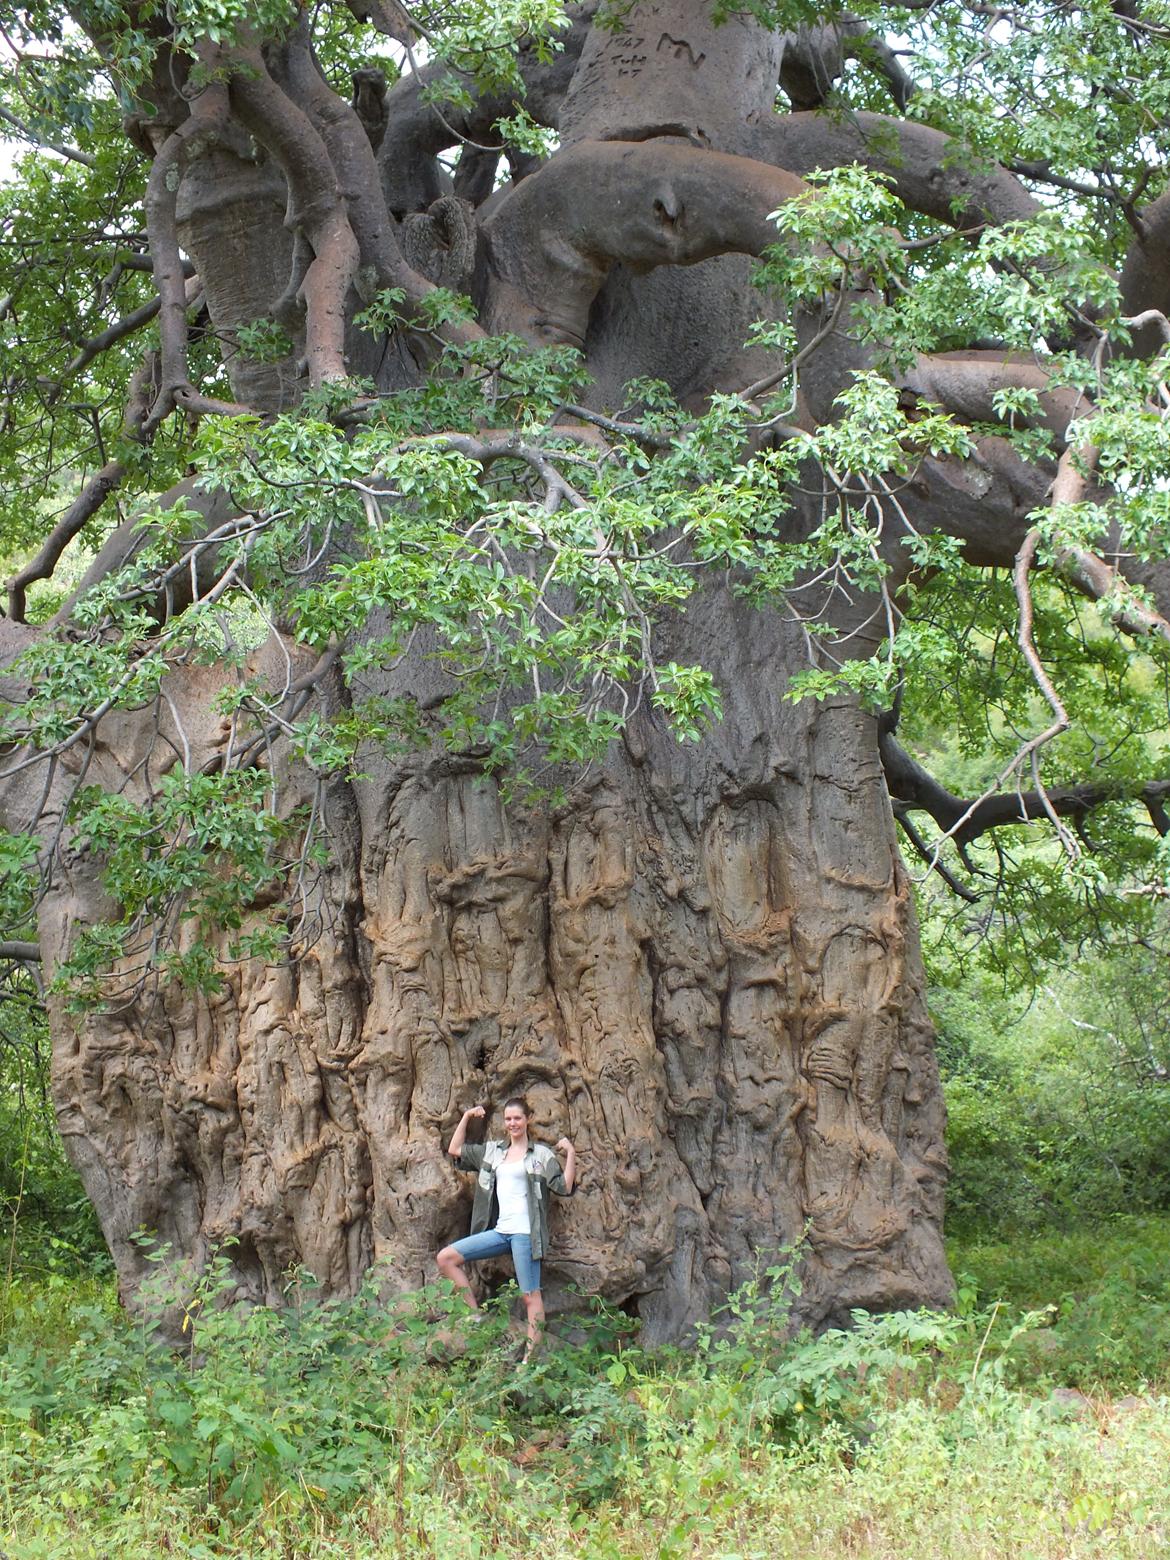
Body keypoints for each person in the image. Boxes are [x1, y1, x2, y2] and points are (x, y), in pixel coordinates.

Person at [437, 1096, 576, 1360]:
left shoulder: (541, 1155)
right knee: (446, 1258)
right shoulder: (493, 1152)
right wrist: (466, 1117)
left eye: (518, 1118)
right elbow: (455, 1150)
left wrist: (570, 1154)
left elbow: (565, 1187)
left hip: (525, 1234)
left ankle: (529, 1358)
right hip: (501, 1232)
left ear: (527, 1120)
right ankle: (473, 1315)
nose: (513, 1123)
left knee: (530, 1296)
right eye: (509, 1119)